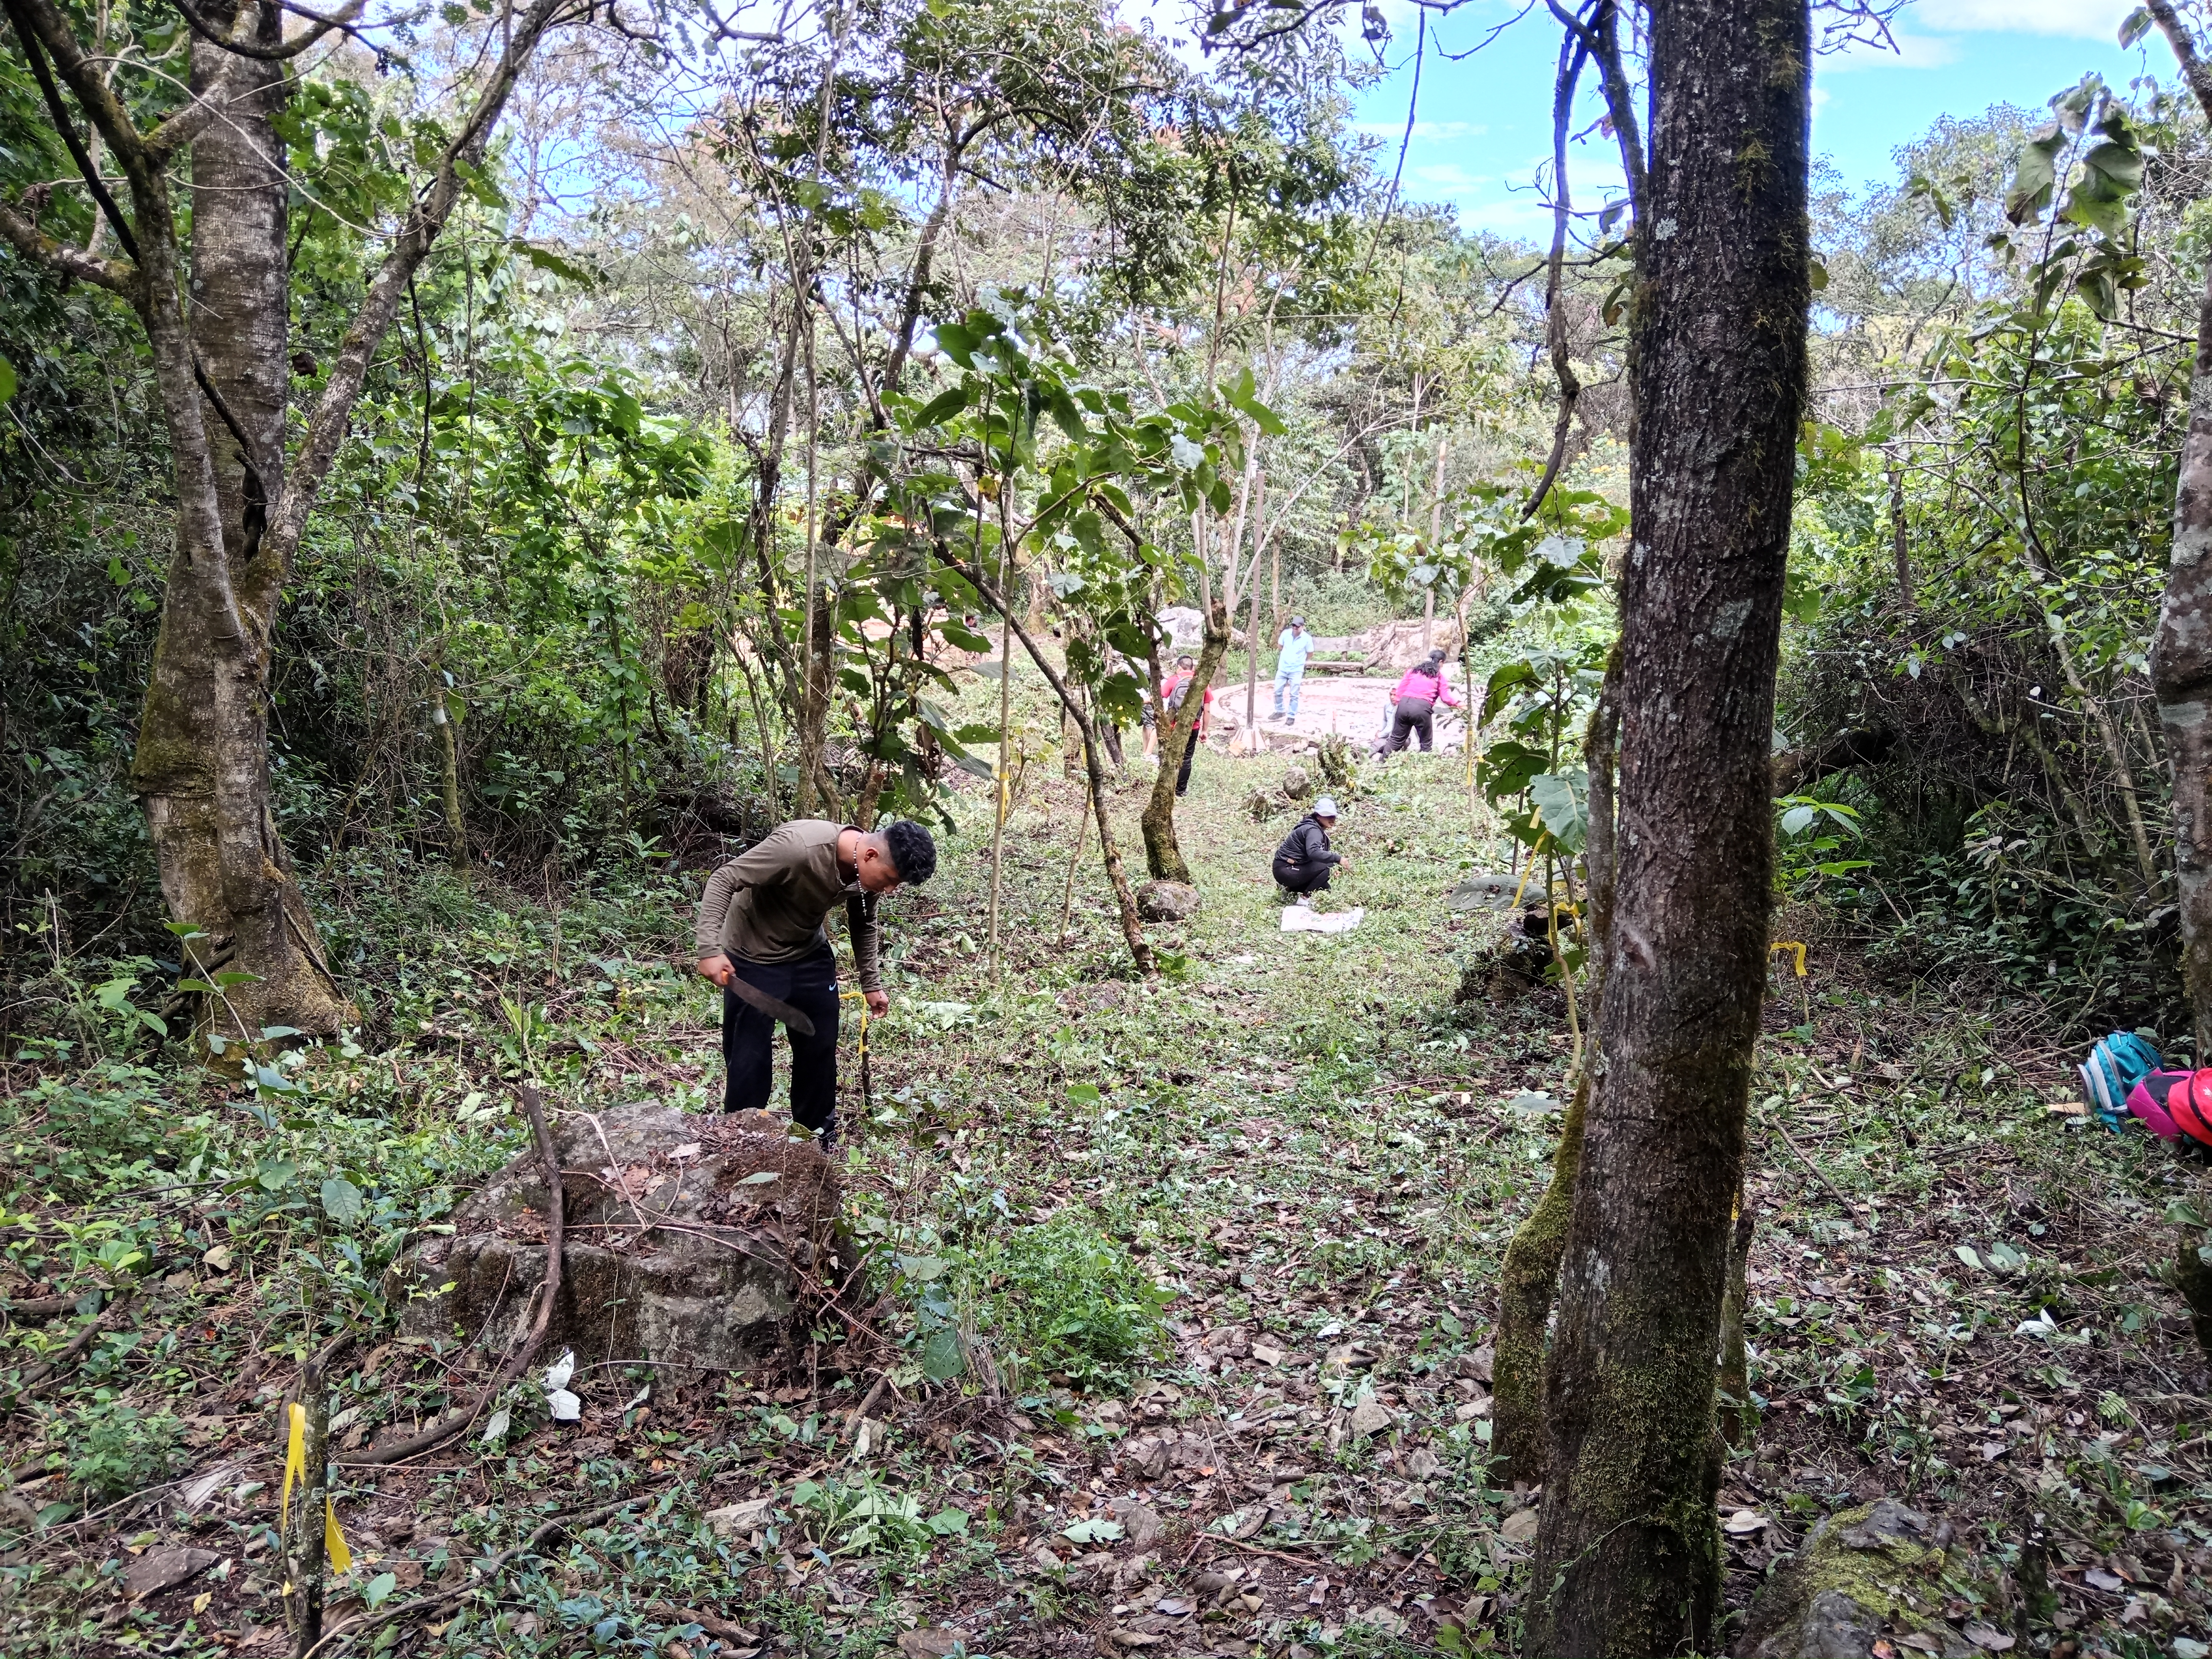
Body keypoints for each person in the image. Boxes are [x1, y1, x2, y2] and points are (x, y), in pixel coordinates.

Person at [695, 818, 938, 1150]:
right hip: (753, 955)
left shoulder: (866, 872)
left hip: (809, 954)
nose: (890, 890)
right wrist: (709, 950)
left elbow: (864, 921)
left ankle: (817, 1141)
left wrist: (871, 983)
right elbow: (725, 878)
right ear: (870, 855)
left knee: (819, 1049)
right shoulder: (798, 848)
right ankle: (742, 1144)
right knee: (749, 1059)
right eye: (891, 880)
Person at [1273, 795, 1347, 906]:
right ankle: (1304, 898)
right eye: (1328, 816)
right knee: (1329, 866)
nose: (1332, 820)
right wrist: (1338, 859)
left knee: (1325, 887)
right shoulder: (1313, 830)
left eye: (1333, 816)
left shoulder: (1314, 828)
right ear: (1318, 816)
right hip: (1286, 870)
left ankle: (1288, 889)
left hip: (1286, 869)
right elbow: (1314, 853)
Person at [1388, 649, 1462, 754]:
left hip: (1404, 706)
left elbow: (1400, 690)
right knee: (1426, 745)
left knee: (1395, 740)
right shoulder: (1439, 676)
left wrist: (1400, 703)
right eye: (1443, 664)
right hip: (1421, 708)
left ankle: (1381, 762)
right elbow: (1446, 698)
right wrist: (1460, 704)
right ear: (1441, 662)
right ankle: (1424, 762)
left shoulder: (1412, 672)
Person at [1162, 654, 1213, 796]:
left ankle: (1167, 786)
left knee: (1171, 755)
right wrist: (1205, 731)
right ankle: (1181, 790)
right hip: (1193, 727)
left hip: (1174, 726)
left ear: (1179, 668)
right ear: (1193, 668)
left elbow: (1161, 696)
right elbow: (1207, 709)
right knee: (1186, 758)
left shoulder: (1173, 681)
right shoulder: (1202, 683)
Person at [1273, 615, 1314, 726]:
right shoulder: (1286, 634)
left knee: (1294, 694)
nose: (1295, 628)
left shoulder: (1307, 639)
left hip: (1296, 670)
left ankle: (1291, 716)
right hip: (1283, 668)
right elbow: (1280, 646)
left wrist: (1301, 661)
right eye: (1294, 626)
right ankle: (1280, 710)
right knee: (1277, 691)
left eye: (1297, 626)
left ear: (1302, 627)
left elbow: (1310, 653)